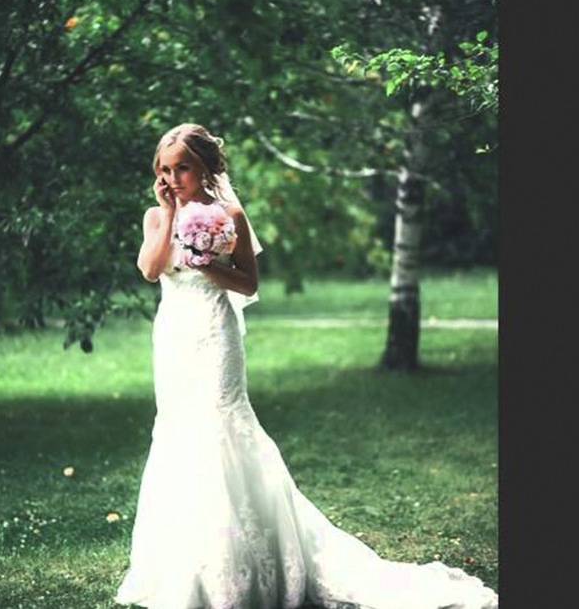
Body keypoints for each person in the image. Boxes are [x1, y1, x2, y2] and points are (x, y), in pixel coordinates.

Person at [115, 124, 498, 609]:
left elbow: (248, 284)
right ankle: (181, 562)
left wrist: (205, 262)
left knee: (221, 425)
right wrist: (171, 213)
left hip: (214, 334)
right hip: (174, 335)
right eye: (165, 170)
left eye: (183, 168)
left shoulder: (230, 215)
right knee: (177, 428)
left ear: (205, 167)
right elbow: (150, 270)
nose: (173, 178)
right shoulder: (156, 215)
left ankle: (241, 567)